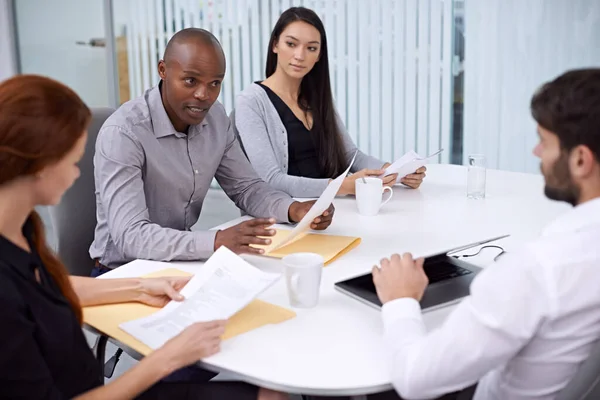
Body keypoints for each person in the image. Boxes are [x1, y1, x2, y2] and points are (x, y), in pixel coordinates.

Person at [0, 75, 288, 399]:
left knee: (272, 391)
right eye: (73, 160)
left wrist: (139, 287)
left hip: (90, 382)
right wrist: (166, 359)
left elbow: (47, 286)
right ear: (40, 163)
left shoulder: (21, 229)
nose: (78, 173)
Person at [372, 69, 600, 400]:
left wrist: (400, 300)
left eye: (544, 141)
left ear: (580, 159)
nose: (536, 153)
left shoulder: (537, 270)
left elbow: (413, 378)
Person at [89, 28, 334, 275]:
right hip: (121, 273)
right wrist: (215, 241)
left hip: (178, 265)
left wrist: (294, 209)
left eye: (214, 83)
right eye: (190, 81)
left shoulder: (215, 117)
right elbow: (131, 237)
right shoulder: (123, 133)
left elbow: (246, 187)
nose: (203, 95)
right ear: (163, 70)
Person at [233, 7, 426, 198]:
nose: (300, 56)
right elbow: (271, 179)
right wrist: (341, 186)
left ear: (319, 55)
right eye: (291, 44)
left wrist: (395, 171)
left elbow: (351, 155)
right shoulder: (251, 102)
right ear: (275, 44)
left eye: (311, 48)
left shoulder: (317, 98)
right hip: (289, 216)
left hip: (333, 209)